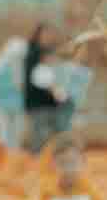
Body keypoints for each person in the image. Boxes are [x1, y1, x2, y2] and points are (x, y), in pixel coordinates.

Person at [23, 22, 74, 152]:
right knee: (40, 137)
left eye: (49, 33)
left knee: (51, 137)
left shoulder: (46, 51)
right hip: (38, 104)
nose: (48, 36)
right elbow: (40, 77)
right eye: (45, 33)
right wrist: (57, 92)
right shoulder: (34, 53)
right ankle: (38, 163)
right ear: (38, 34)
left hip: (49, 103)